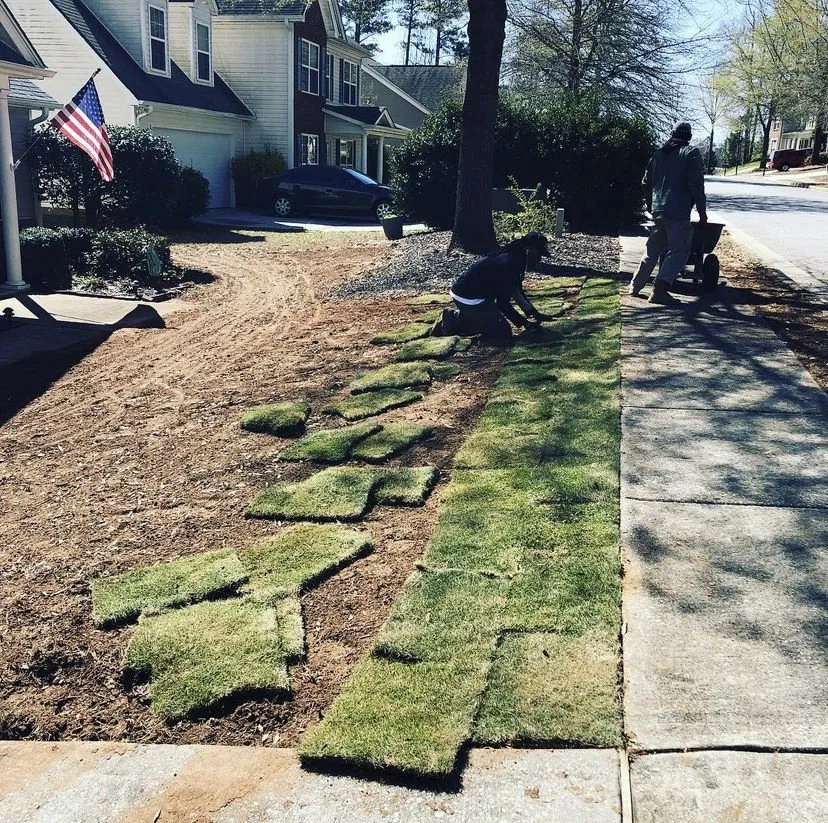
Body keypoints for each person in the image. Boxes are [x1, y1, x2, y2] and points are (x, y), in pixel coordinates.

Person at [629, 121, 708, 305]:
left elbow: (645, 183)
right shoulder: (691, 154)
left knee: (652, 250)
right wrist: (702, 213)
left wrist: (651, 205)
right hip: (678, 212)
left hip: (659, 211)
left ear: (673, 134)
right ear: (688, 137)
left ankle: (635, 286)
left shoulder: (658, 154)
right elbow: (696, 185)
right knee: (678, 251)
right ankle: (660, 290)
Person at [437, 232, 557, 341]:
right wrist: (526, 324)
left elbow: (516, 290)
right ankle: (454, 319)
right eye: (539, 254)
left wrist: (534, 314)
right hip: (469, 298)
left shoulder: (515, 254)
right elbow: (503, 304)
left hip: (471, 294)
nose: (539, 259)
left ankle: (467, 316)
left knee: (496, 325)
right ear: (529, 250)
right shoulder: (510, 264)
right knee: (502, 332)